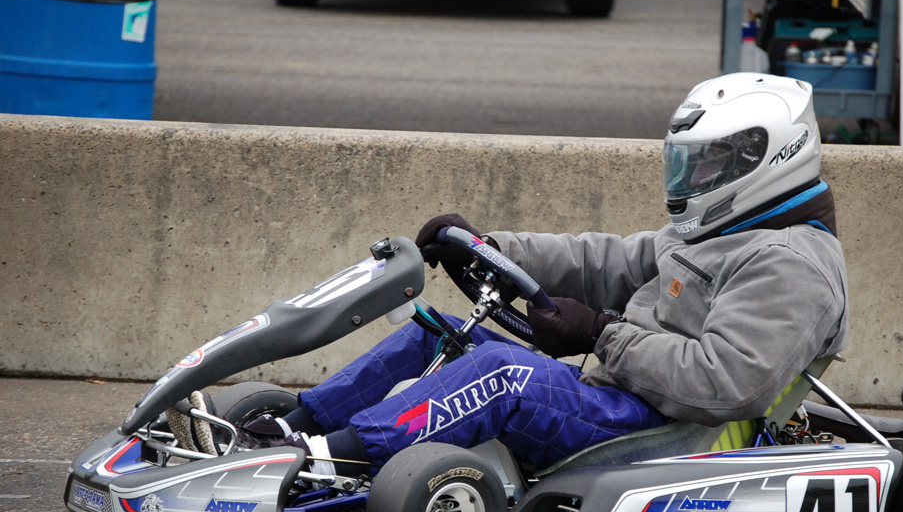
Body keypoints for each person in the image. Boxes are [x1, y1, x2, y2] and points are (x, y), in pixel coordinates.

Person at [240, 72, 849, 477]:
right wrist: (493, 249)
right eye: (690, 163)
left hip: (662, 433)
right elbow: (605, 261)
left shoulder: (790, 265)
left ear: (767, 159)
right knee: (433, 333)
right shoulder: (727, 232)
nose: (693, 179)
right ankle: (291, 426)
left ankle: (322, 460)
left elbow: (728, 383)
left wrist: (601, 335)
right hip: (618, 398)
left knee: (502, 373)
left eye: (711, 164)